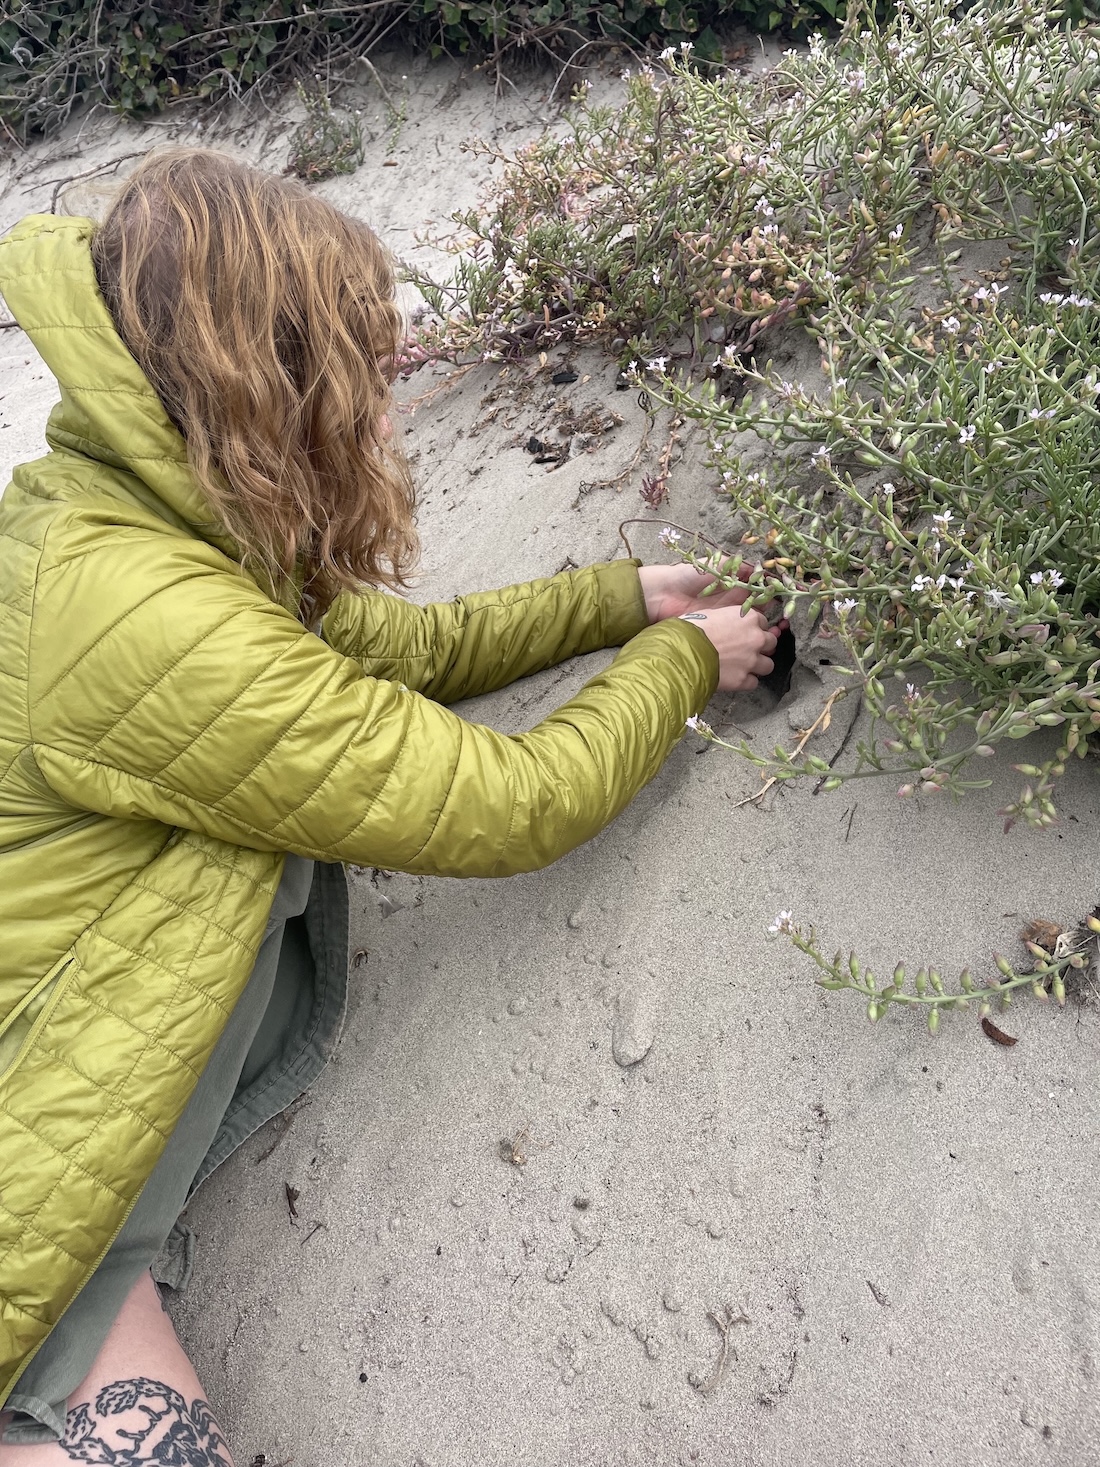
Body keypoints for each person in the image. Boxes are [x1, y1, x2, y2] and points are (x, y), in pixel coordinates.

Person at [0, 149, 779, 1465]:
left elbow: (389, 656)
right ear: (264, 376)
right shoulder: (152, 617)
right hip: (49, 1137)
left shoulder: (138, 501)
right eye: (360, 369)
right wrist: (692, 661)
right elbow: (509, 806)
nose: (386, 399)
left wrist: (615, 604)